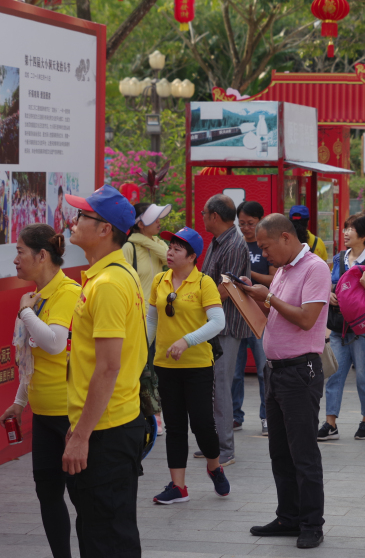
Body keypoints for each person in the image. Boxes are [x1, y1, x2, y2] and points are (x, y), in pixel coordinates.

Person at [62, 185, 148, 556]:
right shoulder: (107, 277)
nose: (74, 221)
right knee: (103, 530)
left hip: (106, 431)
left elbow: (108, 367)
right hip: (106, 423)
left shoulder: (110, 284)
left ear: (104, 230)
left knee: (106, 536)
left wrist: (81, 435)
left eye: (82, 216)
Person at [239, 214, 330, 549]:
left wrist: (269, 297)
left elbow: (307, 319)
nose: (263, 255)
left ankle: (311, 524)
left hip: (299, 372)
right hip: (276, 371)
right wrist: (244, 296)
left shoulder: (315, 268)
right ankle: (288, 516)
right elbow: (272, 317)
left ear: (285, 238)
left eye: (265, 247)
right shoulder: (284, 271)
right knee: (279, 451)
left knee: (303, 452)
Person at [0, 224, 81, 558]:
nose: (15, 259)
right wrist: (19, 402)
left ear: (42, 255)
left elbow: (55, 343)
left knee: (80, 495)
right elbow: (30, 356)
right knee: (47, 492)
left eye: (20, 251)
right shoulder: (36, 295)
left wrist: (25, 311)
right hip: (43, 415)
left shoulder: (66, 291)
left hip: (69, 414)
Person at [148, 227, 230, 503]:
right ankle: (178, 486)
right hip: (165, 365)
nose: (169, 252)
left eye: (177, 249)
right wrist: (140, 352)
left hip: (197, 365)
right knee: (174, 425)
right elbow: (151, 321)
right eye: (169, 247)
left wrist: (186, 341)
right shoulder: (159, 280)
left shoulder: (204, 283)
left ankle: (214, 466)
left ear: (192, 256)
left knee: (202, 423)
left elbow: (218, 323)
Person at [318, 214, 365, 442]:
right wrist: (329, 294)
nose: (346, 233)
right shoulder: (340, 258)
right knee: (334, 374)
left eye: (351, 229)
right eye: (345, 228)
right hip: (339, 328)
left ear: (364, 235)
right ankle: (330, 423)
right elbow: (328, 285)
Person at [198, 194, 251, 464]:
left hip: (226, 326)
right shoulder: (218, 241)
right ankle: (212, 443)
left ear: (215, 217)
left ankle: (225, 449)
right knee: (211, 386)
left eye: (204, 213)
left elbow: (226, 288)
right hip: (212, 324)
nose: (202, 217)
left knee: (220, 386)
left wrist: (195, 306)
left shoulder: (233, 244)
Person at [235, 201, 272, 435]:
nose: (246, 228)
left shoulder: (265, 246)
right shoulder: (235, 244)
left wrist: (248, 274)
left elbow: (274, 278)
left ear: (260, 220)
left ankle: (267, 416)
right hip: (236, 315)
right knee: (234, 371)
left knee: (263, 370)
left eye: (250, 223)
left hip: (260, 316)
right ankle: (234, 416)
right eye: (242, 224)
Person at [123, 202, 171, 302]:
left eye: (158, 217)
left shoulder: (159, 243)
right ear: (140, 224)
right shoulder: (129, 247)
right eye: (154, 218)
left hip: (159, 309)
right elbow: (122, 281)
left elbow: (169, 260)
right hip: (139, 311)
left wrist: (144, 240)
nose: (158, 221)